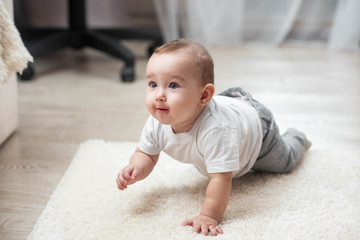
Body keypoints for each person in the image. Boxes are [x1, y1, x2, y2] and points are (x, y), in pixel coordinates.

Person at [116, 39, 310, 236]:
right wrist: (136, 168)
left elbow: (221, 178)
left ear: (203, 96)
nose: (159, 95)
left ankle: (296, 136)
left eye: (173, 85)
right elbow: (146, 153)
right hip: (228, 109)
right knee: (218, 159)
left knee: (284, 163)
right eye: (153, 84)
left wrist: (209, 216)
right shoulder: (157, 119)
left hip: (256, 129)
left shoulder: (216, 130)